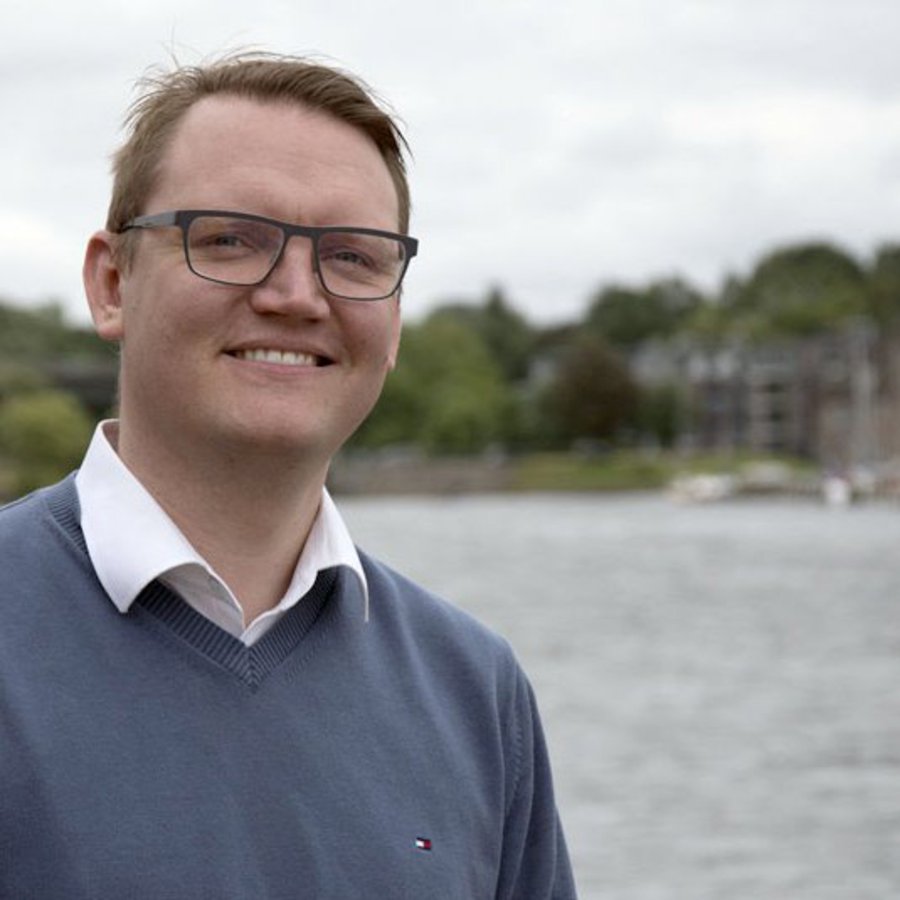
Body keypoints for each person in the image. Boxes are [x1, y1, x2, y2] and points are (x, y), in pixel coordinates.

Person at [0, 52, 577, 898]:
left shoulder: (476, 692)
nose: (297, 295)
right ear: (112, 282)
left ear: (395, 316)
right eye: (231, 240)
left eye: (354, 257)